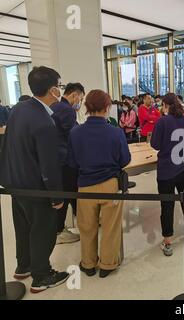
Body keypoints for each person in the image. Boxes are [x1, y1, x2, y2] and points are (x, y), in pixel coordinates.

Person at [0, 66, 69, 293]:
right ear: (52, 90)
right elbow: (48, 165)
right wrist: (56, 196)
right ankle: (41, 275)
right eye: (59, 86)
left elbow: (8, 145)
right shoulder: (44, 122)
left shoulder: (19, 109)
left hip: (14, 182)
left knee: (23, 227)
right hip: (35, 187)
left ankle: (24, 265)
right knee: (43, 229)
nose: (61, 89)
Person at [67, 89, 131, 278]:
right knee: (111, 227)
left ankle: (88, 264)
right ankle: (107, 265)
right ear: (107, 107)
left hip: (85, 185)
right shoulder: (115, 132)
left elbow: (71, 162)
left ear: (86, 107)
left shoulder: (75, 132)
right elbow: (125, 159)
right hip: (110, 184)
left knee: (87, 227)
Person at [151, 93, 184, 256]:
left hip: (167, 169)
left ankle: (168, 241)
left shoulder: (162, 121)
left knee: (167, 206)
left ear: (165, 105)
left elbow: (155, 144)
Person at [51, 82, 85, 245]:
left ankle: (79, 221)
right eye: (81, 98)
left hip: (56, 159)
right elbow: (73, 135)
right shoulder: (66, 110)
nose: (80, 102)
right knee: (68, 192)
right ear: (75, 95)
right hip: (65, 160)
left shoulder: (55, 107)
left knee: (69, 192)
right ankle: (59, 230)